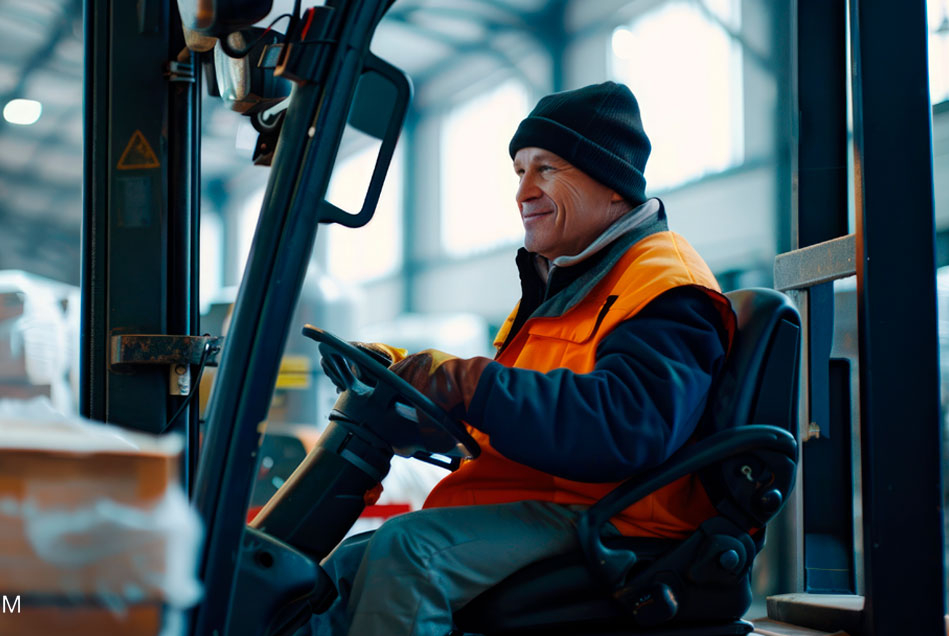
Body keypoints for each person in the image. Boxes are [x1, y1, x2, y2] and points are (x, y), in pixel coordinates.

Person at [300, 80, 737, 636]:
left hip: (614, 515)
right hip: (549, 499)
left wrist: (465, 384)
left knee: (411, 554)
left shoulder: (662, 285)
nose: (523, 191)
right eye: (519, 171)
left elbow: (628, 426)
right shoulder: (570, 284)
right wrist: (413, 393)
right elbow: (521, 413)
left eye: (546, 169)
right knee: (342, 570)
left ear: (611, 182)